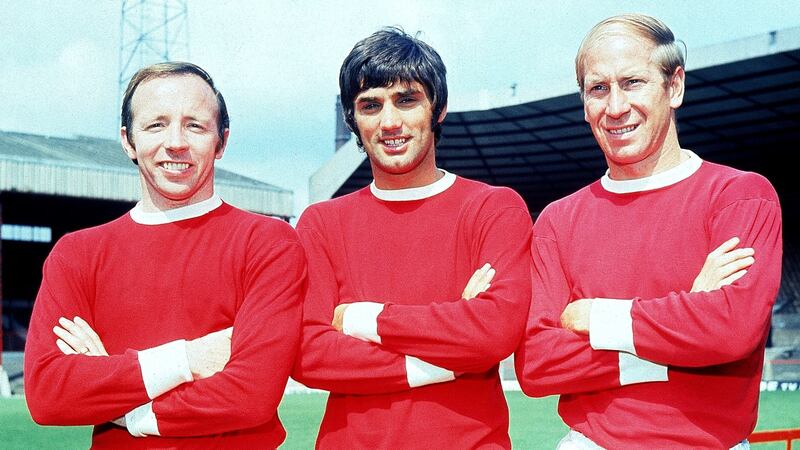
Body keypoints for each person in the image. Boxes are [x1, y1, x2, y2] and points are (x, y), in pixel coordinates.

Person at [514, 14, 782, 450]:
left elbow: (732, 331)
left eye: (633, 82)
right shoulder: (557, 221)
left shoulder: (740, 196)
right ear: (584, 104)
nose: (615, 106)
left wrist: (596, 316)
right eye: (598, 88)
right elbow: (538, 366)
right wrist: (684, 326)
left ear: (674, 86)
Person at [24, 62, 306, 448]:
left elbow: (250, 397)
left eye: (195, 125)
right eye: (156, 125)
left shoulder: (269, 242)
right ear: (128, 141)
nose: (176, 142)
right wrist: (187, 359)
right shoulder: (77, 254)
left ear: (222, 141)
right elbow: (48, 395)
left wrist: (119, 400)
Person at [291, 28, 533, 448]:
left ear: (437, 109)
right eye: (370, 105)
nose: (390, 122)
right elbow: (307, 353)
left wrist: (360, 319)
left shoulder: (494, 208)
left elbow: (494, 332)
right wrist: (453, 356)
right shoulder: (320, 223)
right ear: (353, 119)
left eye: (407, 100)